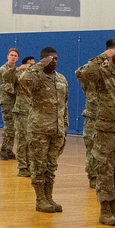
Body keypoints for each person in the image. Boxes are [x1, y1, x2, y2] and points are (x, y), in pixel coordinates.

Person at [77, 38, 115, 226]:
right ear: (111, 53)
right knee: (105, 172)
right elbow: (83, 74)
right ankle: (105, 211)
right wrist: (103, 56)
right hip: (105, 132)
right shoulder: (101, 74)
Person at [21, 47, 68, 213]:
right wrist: (39, 65)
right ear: (43, 59)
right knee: (38, 166)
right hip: (39, 130)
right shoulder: (35, 77)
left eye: (56, 59)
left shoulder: (61, 79)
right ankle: (40, 199)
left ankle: (49, 198)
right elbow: (23, 80)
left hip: (56, 131)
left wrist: (65, 126)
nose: (54, 62)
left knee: (51, 166)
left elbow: (64, 105)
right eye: (51, 59)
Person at [74, 56, 102, 189]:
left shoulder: (110, 80)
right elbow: (79, 72)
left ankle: (104, 176)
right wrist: (97, 62)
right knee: (92, 149)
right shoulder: (88, 80)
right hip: (92, 118)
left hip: (107, 119)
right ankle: (93, 176)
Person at [12, 56, 36, 177]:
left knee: (31, 141)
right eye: (30, 65)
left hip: (32, 112)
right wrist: (19, 68)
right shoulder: (18, 76)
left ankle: (30, 165)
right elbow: (5, 77)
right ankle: (22, 167)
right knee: (22, 140)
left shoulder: (35, 78)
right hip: (21, 111)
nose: (32, 66)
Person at [0, 48, 20, 160]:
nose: (13, 57)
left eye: (15, 56)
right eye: (11, 55)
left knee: (13, 128)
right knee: (9, 127)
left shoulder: (17, 70)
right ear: (7, 56)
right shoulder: (3, 69)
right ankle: (4, 151)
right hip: (7, 102)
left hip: (15, 102)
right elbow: (7, 87)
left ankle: (9, 150)